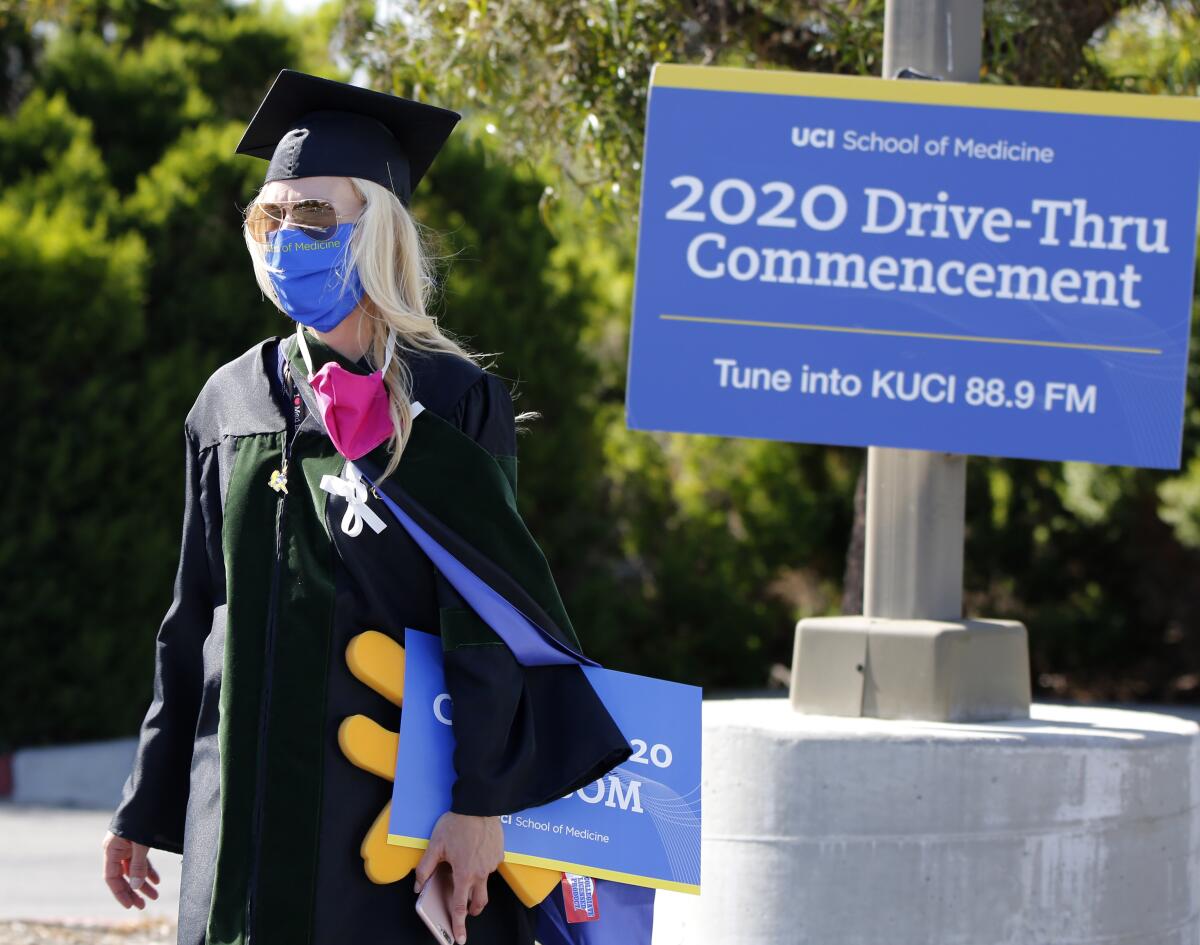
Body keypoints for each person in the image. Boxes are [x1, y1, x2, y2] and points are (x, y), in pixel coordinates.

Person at [101, 69, 631, 945]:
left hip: (380, 800)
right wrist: (146, 800)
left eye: (313, 216)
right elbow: (194, 614)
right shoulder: (229, 401)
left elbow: (488, 618)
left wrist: (478, 804)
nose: (283, 237)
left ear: (374, 229)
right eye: (268, 216)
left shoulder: (451, 399)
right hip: (238, 807)